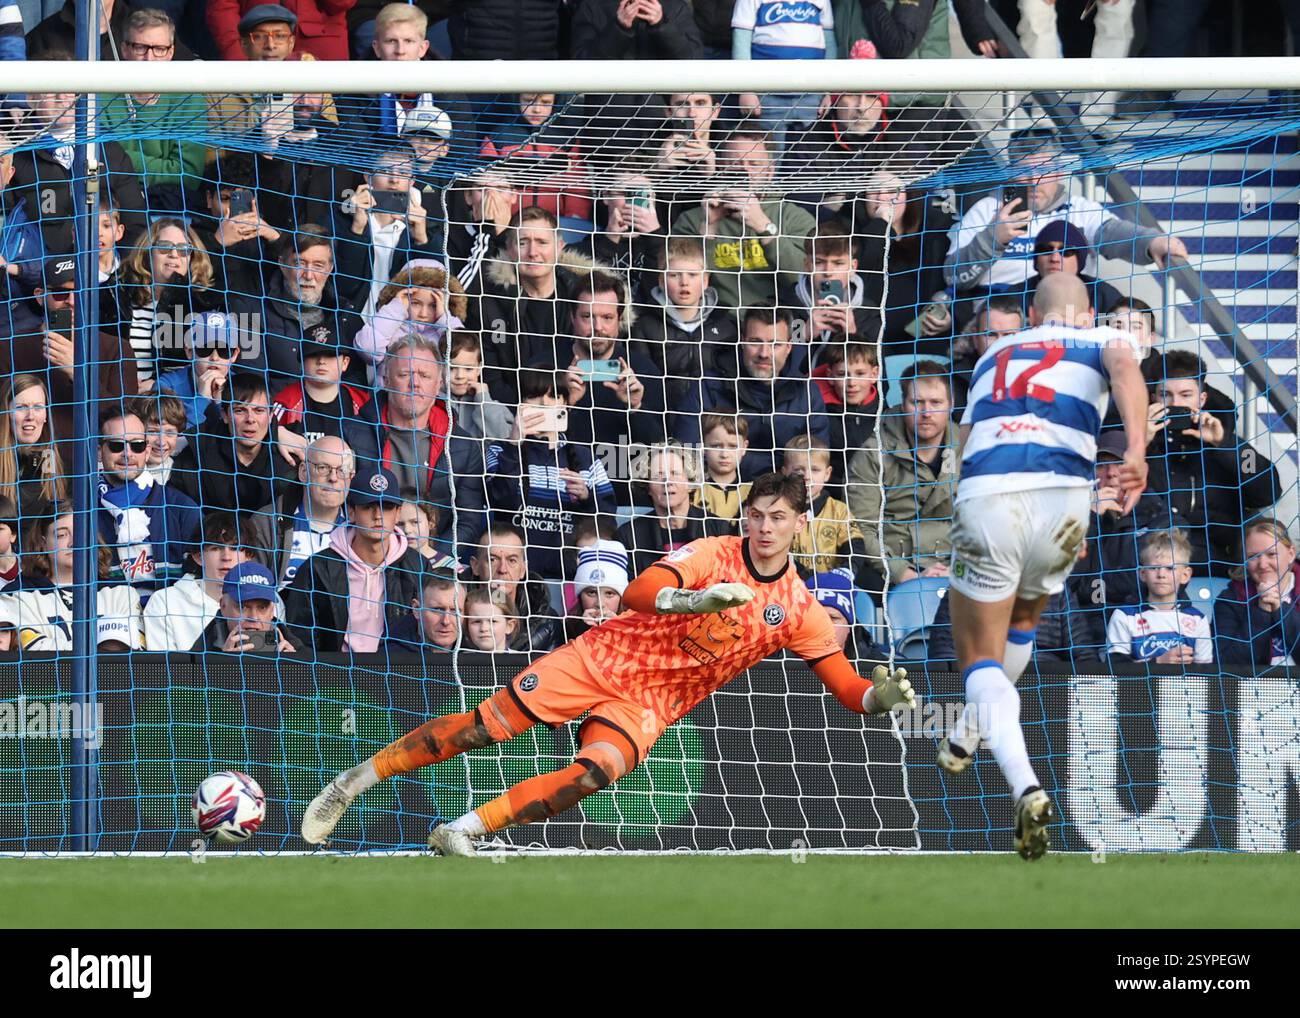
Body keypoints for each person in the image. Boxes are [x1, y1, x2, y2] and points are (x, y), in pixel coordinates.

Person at [302, 471, 916, 854]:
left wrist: (877, 697)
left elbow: (847, 687)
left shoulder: (800, 608)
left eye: (777, 518)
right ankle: (355, 781)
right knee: (482, 728)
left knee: (594, 774)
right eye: (755, 515)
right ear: (744, 516)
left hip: (650, 703)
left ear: (799, 524)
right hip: (603, 657)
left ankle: (462, 829)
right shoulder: (712, 551)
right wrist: (698, 599)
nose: (763, 527)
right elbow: (638, 591)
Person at [936, 274, 1149, 861]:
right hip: (1064, 501)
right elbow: (1127, 372)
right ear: (1086, 314)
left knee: (978, 654)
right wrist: (1135, 450)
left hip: (990, 495)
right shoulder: (1104, 337)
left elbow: (967, 438)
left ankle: (1025, 785)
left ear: (1032, 312)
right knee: (1025, 619)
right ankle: (969, 731)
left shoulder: (993, 354)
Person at [944, 134, 1187, 303]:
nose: (1033, 182)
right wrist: (992, 240)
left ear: (1059, 173)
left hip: (1064, 314)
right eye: (1023, 172)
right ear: (1010, 174)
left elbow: (1114, 233)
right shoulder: (987, 210)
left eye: (1042, 172)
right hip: (998, 320)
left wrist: (1151, 241)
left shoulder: (1080, 210)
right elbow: (954, 277)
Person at [343, 332, 487, 552]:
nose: (415, 384)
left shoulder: (462, 446)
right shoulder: (351, 433)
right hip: (365, 554)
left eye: (424, 375)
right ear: (386, 379)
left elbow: (469, 520)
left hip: (432, 562)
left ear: (439, 383)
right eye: (405, 374)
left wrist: (432, 557)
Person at [1145, 350, 1280, 575]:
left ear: (1202, 399)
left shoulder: (1223, 439)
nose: (1176, 403)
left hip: (1222, 565)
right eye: (1165, 395)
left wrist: (1223, 443)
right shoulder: (1136, 442)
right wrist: (1141, 442)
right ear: (1153, 399)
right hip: (1156, 567)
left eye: (1186, 395)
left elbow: (1269, 492)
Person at [485, 369, 617, 580]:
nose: (544, 403)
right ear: (521, 403)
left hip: (571, 577)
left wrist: (586, 497)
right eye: (533, 396)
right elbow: (500, 503)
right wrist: (514, 443)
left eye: (553, 396)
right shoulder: (499, 450)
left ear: (565, 403)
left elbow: (608, 524)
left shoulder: (586, 459)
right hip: (514, 576)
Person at [282, 465, 425, 653]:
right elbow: (302, 640)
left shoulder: (418, 566)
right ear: (351, 512)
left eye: (387, 507)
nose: (378, 516)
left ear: (398, 513)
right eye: (368, 507)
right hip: (334, 677)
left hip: (400, 676)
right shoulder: (317, 568)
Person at [674, 304, 829, 478]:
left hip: (788, 493)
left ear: (789, 347)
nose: (764, 353)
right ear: (742, 341)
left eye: (775, 344)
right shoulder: (709, 385)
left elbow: (816, 460)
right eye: (755, 342)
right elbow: (688, 452)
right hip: (718, 490)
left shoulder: (807, 391)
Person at [0, 255, 139, 444]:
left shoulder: (117, 349)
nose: (72, 301)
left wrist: (77, 371)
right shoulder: (11, 346)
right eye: (60, 293)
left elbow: (127, 421)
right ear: (40, 295)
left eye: (80, 292)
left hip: (93, 462)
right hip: (28, 458)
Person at [669, 131, 816, 309]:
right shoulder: (692, 220)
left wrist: (764, 227)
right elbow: (680, 283)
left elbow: (809, 280)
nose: (744, 171)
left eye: (754, 164)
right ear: (721, 169)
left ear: (770, 172)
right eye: (734, 163)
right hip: (717, 325)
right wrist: (708, 228)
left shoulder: (794, 218)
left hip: (782, 323)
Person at [845, 361, 956, 589]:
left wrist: (960, 570)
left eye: (936, 403)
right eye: (917, 402)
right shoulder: (873, 452)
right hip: (892, 569)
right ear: (903, 403)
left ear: (951, 405)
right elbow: (860, 527)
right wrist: (902, 574)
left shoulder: (969, 447)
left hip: (954, 566)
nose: (926, 413)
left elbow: (980, 524)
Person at [2, 508, 145, 652]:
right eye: (62, 535)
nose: (73, 543)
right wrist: (101, 648)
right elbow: (32, 651)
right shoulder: (15, 595)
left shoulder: (121, 593)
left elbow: (136, 650)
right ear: (43, 543)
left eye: (80, 533)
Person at [96, 404, 202, 591]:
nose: (127, 454)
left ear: (146, 451)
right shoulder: (81, 512)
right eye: (116, 445)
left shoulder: (182, 508)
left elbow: (200, 583)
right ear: (99, 451)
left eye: (136, 445)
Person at [168, 371, 297, 519]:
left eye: (259, 410)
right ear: (224, 415)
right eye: (240, 410)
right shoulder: (197, 453)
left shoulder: (289, 459)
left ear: (270, 416)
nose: (250, 419)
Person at [113, 218, 216, 387]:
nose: (174, 254)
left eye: (183, 249)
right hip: (120, 395)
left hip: (173, 401)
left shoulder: (203, 304)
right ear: (148, 252)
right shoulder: (119, 296)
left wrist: (158, 385)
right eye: (164, 247)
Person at [246, 435, 355, 588]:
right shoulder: (267, 524)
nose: (333, 478)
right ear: (303, 472)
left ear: (351, 476)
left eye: (342, 470)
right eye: (323, 468)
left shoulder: (359, 530)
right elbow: (251, 594)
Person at [731, 0, 835, 155]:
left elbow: (830, 44)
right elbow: (741, 43)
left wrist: (829, 90)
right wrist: (746, 89)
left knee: (810, 156)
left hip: (811, 95)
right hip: (767, 95)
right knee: (770, 154)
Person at [617, 442, 730, 577]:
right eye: (658, 475)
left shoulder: (718, 529)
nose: (667, 481)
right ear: (647, 486)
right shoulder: (629, 535)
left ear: (691, 482)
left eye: (675, 473)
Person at [142, 510, 247, 651]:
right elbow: (162, 671)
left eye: (235, 548)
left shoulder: (268, 601)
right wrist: (224, 665)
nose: (226, 557)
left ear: (249, 556)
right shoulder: (164, 602)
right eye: (216, 548)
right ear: (198, 557)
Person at [1106, 529, 1212, 666]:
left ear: (1185, 575)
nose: (1161, 574)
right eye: (1154, 568)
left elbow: (1206, 673)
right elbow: (1115, 668)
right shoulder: (1124, 616)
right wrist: (1158, 662)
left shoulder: (1197, 620)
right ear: (1143, 573)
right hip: (1140, 688)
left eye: (1170, 568)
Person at [1214, 518, 1300, 667]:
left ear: (1291, 554)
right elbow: (1226, 665)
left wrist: (1280, 610)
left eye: (1271, 554)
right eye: (1253, 556)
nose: (1262, 564)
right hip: (1252, 688)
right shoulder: (1230, 599)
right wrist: (1261, 613)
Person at [466, 521, 560, 653]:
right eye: (492, 560)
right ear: (475, 566)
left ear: (523, 569)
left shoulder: (547, 621)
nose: (502, 569)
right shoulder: (457, 610)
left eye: (512, 560)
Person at [270, 324, 372, 444]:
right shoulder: (284, 404)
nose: (321, 361)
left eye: (330, 355)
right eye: (313, 355)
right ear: (302, 362)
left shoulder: (364, 404)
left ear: (345, 363)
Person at [781, 435, 864, 577]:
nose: (806, 476)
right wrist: (805, 575)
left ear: (827, 474)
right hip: (791, 582)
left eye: (815, 470)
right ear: (784, 472)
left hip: (832, 582)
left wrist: (846, 570)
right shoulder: (779, 509)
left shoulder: (839, 511)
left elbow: (855, 546)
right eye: (798, 470)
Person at [148, 309, 242, 430]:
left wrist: (220, 403)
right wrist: (201, 399)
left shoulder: (243, 388)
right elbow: (171, 440)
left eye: (224, 351)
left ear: (234, 354)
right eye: (205, 349)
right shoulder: (167, 386)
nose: (214, 358)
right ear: (189, 351)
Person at [811, 341, 880, 490]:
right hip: (830, 492)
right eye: (842, 374)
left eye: (860, 373)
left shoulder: (884, 413)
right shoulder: (818, 412)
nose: (852, 382)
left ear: (874, 374)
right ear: (829, 376)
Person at [0, 374, 68, 519]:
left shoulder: (54, 460)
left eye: (38, 407)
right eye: (21, 407)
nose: (30, 416)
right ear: (6, 413)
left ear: (45, 415)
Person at [386, 568, 463, 654]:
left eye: (455, 611)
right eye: (437, 609)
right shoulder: (391, 657)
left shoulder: (477, 648)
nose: (446, 621)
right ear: (416, 609)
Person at [561, 548, 629, 641]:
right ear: (580, 596)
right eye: (591, 593)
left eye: (609, 593)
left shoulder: (636, 628)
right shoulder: (565, 627)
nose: (600, 604)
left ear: (621, 598)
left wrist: (617, 631)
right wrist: (584, 631)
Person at [696, 411, 750, 526]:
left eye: (732, 446)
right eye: (716, 446)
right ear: (703, 446)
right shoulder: (692, 490)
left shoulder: (753, 490)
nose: (724, 454)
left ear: (744, 447)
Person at [461, 585, 520, 652]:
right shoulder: (457, 660)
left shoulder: (525, 661)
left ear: (509, 626)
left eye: (493, 621)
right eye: (477, 621)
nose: (484, 628)